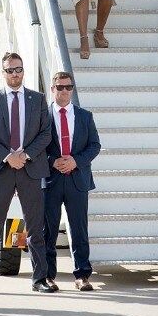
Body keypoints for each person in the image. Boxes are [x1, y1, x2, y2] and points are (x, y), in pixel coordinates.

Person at [0, 52, 54, 294]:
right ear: (3, 73)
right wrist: (8, 156)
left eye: (18, 69)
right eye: (10, 70)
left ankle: (39, 279)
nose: (15, 74)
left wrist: (25, 155)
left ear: (23, 71)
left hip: (30, 169)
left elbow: (46, 134)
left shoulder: (37, 99)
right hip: (2, 170)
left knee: (35, 228)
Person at [44, 72, 100, 292]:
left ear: (72, 89)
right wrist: (53, 161)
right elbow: (36, 147)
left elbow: (94, 146)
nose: (64, 91)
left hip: (77, 180)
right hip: (51, 180)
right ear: (52, 89)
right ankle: (48, 276)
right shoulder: (43, 117)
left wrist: (76, 161)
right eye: (60, 87)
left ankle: (82, 276)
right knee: (47, 231)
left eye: (68, 87)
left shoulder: (85, 116)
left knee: (79, 230)